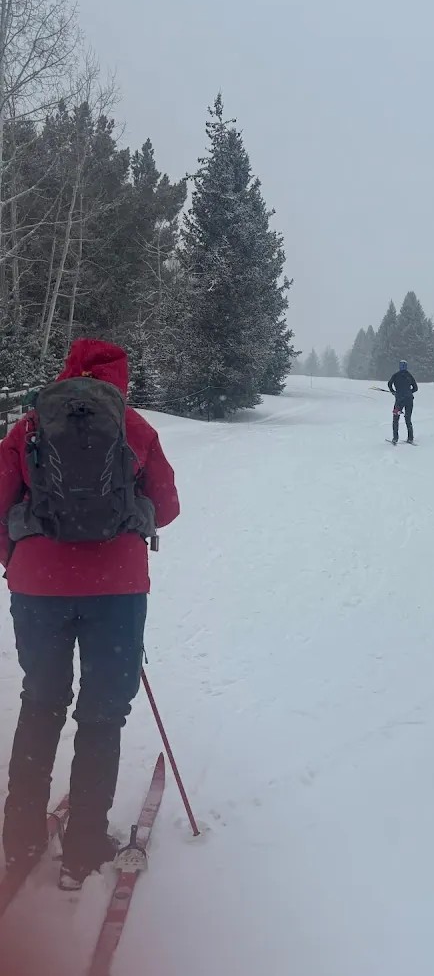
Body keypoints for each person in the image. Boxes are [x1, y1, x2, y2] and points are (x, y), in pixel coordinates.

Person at [0, 338, 179, 889]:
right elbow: (168, 507)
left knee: (41, 702)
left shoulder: (28, 426)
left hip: (38, 588)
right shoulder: (135, 429)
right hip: (116, 592)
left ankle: (20, 835)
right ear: (118, 380)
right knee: (102, 716)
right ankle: (82, 848)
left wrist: (17, 561)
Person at [388, 359, 418, 444]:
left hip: (399, 401)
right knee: (408, 418)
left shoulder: (396, 375)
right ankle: (410, 438)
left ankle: (395, 438)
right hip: (409, 400)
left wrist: (393, 391)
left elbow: (389, 384)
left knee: (395, 419)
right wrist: (408, 392)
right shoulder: (409, 375)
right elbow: (415, 388)